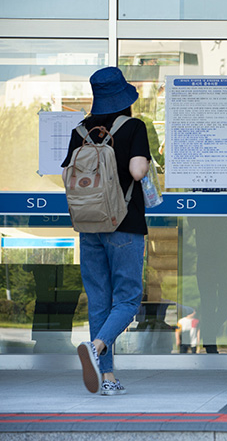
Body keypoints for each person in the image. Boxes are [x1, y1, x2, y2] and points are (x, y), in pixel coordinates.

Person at [62, 66, 151, 395]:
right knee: (127, 299)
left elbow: (67, 176)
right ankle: (97, 348)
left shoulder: (80, 130)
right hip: (124, 224)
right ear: (124, 97)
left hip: (89, 225)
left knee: (99, 300)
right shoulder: (133, 127)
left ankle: (108, 377)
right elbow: (137, 170)